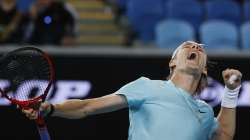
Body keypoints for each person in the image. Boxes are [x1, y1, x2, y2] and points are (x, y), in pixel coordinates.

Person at [23, 41, 242, 140]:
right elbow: (87, 107)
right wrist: (50, 108)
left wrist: (231, 91)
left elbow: (223, 134)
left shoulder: (204, 112)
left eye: (200, 48)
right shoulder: (147, 86)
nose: (195, 47)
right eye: (187, 46)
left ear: (204, 68)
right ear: (172, 63)